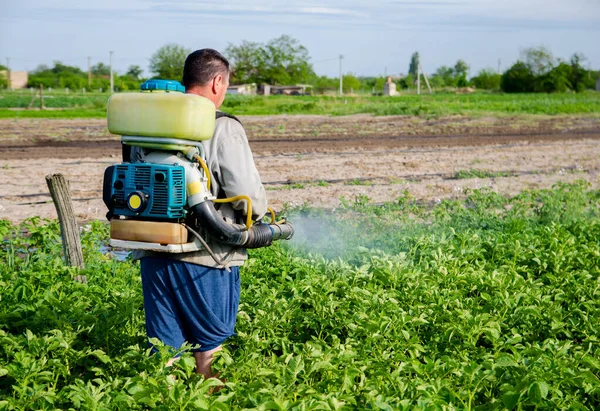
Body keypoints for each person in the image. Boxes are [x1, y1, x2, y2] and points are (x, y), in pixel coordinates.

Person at [135, 49, 267, 378]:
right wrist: (260, 214)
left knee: (165, 349)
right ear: (217, 81)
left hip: (154, 250)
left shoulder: (149, 122)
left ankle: (163, 402)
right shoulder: (221, 126)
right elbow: (247, 196)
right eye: (225, 85)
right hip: (206, 255)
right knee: (210, 346)